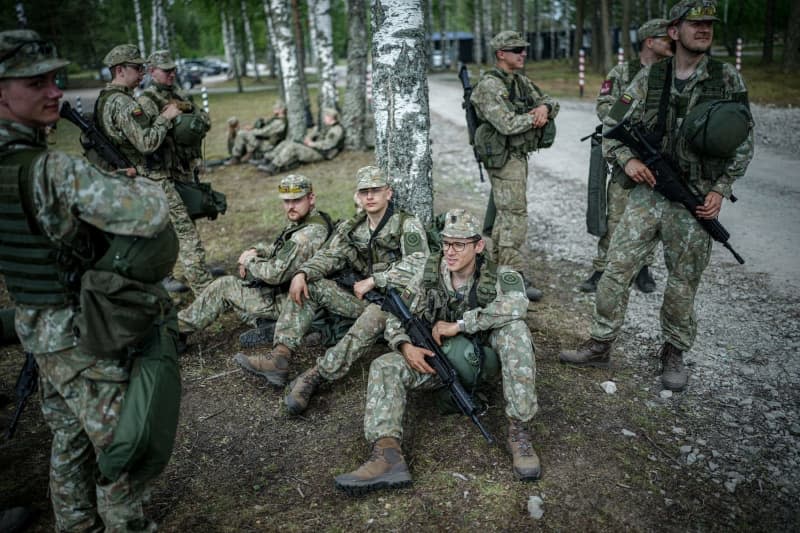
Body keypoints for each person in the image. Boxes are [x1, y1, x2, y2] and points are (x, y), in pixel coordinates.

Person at [0, 30, 177, 530]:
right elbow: (148, 213)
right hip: (79, 336)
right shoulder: (51, 169)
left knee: (69, 434)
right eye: (37, 82)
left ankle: (75, 523)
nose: (55, 91)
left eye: (55, 79)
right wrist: (133, 182)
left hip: (38, 329)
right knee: (122, 448)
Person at [559, 0, 754, 392]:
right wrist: (628, 161)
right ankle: (600, 344)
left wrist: (720, 189)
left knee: (683, 282)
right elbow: (612, 124)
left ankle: (673, 354)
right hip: (648, 194)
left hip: (695, 198)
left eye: (708, 24)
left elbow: (744, 140)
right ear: (673, 31)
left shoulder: (726, 78)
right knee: (616, 268)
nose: (703, 29)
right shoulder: (651, 77)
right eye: (694, 23)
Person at [334, 209, 540, 495]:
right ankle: (387, 456)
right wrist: (404, 346)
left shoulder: (498, 277)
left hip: (483, 364)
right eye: (446, 244)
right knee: (385, 365)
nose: (450, 252)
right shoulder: (428, 273)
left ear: (478, 246)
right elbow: (397, 314)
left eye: (459, 245)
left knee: (515, 329)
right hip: (436, 362)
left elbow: (518, 305)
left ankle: (519, 430)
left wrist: (460, 324)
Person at [235, 166, 430, 415]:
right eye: (364, 192)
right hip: (362, 299)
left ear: (388, 193)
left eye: (376, 191)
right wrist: (302, 273)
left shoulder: (406, 224)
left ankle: (316, 375)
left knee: (374, 315)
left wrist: (376, 280)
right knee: (311, 285)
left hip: (395, 307)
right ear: (358, 196)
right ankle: (280, 356)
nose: (370, 196)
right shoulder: (353, 226)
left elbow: (420, 262)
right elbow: (329, 255)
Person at [177, 174, 332, 346]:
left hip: (293, 303)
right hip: (294, 298)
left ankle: (175, 330)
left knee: (224, 286)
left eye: (296, 200)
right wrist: (256, 251)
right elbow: (278, 249)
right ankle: (269, 325)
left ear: (311, 198)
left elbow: (275, 273)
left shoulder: (308, 234)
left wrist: (250, 262)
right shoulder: (308, 221)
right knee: (242, 292)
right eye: (286, 201)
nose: (290, 206)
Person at [579, 19, 673, 294]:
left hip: (658, 156)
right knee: (616, 215)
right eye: (664, 38)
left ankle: (643, 268)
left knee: (653, 216)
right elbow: (606, 107)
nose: (671, 42)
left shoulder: (672, 74)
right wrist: (630, 125)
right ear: (649, 41)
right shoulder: (624, 72)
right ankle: (601, 268)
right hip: (626, 155)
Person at [470, 31, 559, 302]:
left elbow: (550, 101)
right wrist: (534, 118)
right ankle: (512, 276)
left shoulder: (519, 81)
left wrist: (543, 109)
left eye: (523, 49)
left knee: (508, 215)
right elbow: (506, 124)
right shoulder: (490, 86)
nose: (523, 54)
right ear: (501, 54)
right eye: (516, 50)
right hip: (504, 160)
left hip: (518, 157)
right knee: (513, 217)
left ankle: (494, 270)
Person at [138, 50, 215, 297]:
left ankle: (174, 274)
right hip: (160, 173)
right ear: (152, 72)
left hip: (183, 170)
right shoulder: (147, 101)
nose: (172, 74)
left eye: (173, 70)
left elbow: (204, 119)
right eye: (166, 70)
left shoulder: (179, 94)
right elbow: (144, 141)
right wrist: (167, 119)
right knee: (177, 228)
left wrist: (188, 110)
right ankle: (201, 286)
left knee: (184, 222)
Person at [258, 107, 345, 175]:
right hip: (315, 148)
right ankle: (268, 158)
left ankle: (274, 166)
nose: (324, 118)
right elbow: (315, 132)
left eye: (326, 116)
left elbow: (328, 145)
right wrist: (309, 138)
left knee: (293, 147)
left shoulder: (336, 130)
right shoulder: (326, 126)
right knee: (287, 142)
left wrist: (312, 144)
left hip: (321, 153)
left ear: (331, 117)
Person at [227, 100, 287, 165]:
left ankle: (237, 157)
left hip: (268, 145)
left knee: (241, 133)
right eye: (274, 107)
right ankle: (245, 154)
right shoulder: (276, 119)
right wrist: (253, 128)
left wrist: (251, 131)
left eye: (276, 108)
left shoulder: (279, 122)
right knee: (242, 133)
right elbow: (265, 128)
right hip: (264, 141)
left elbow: (264, 132)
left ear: (282, 110)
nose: (274, 109)